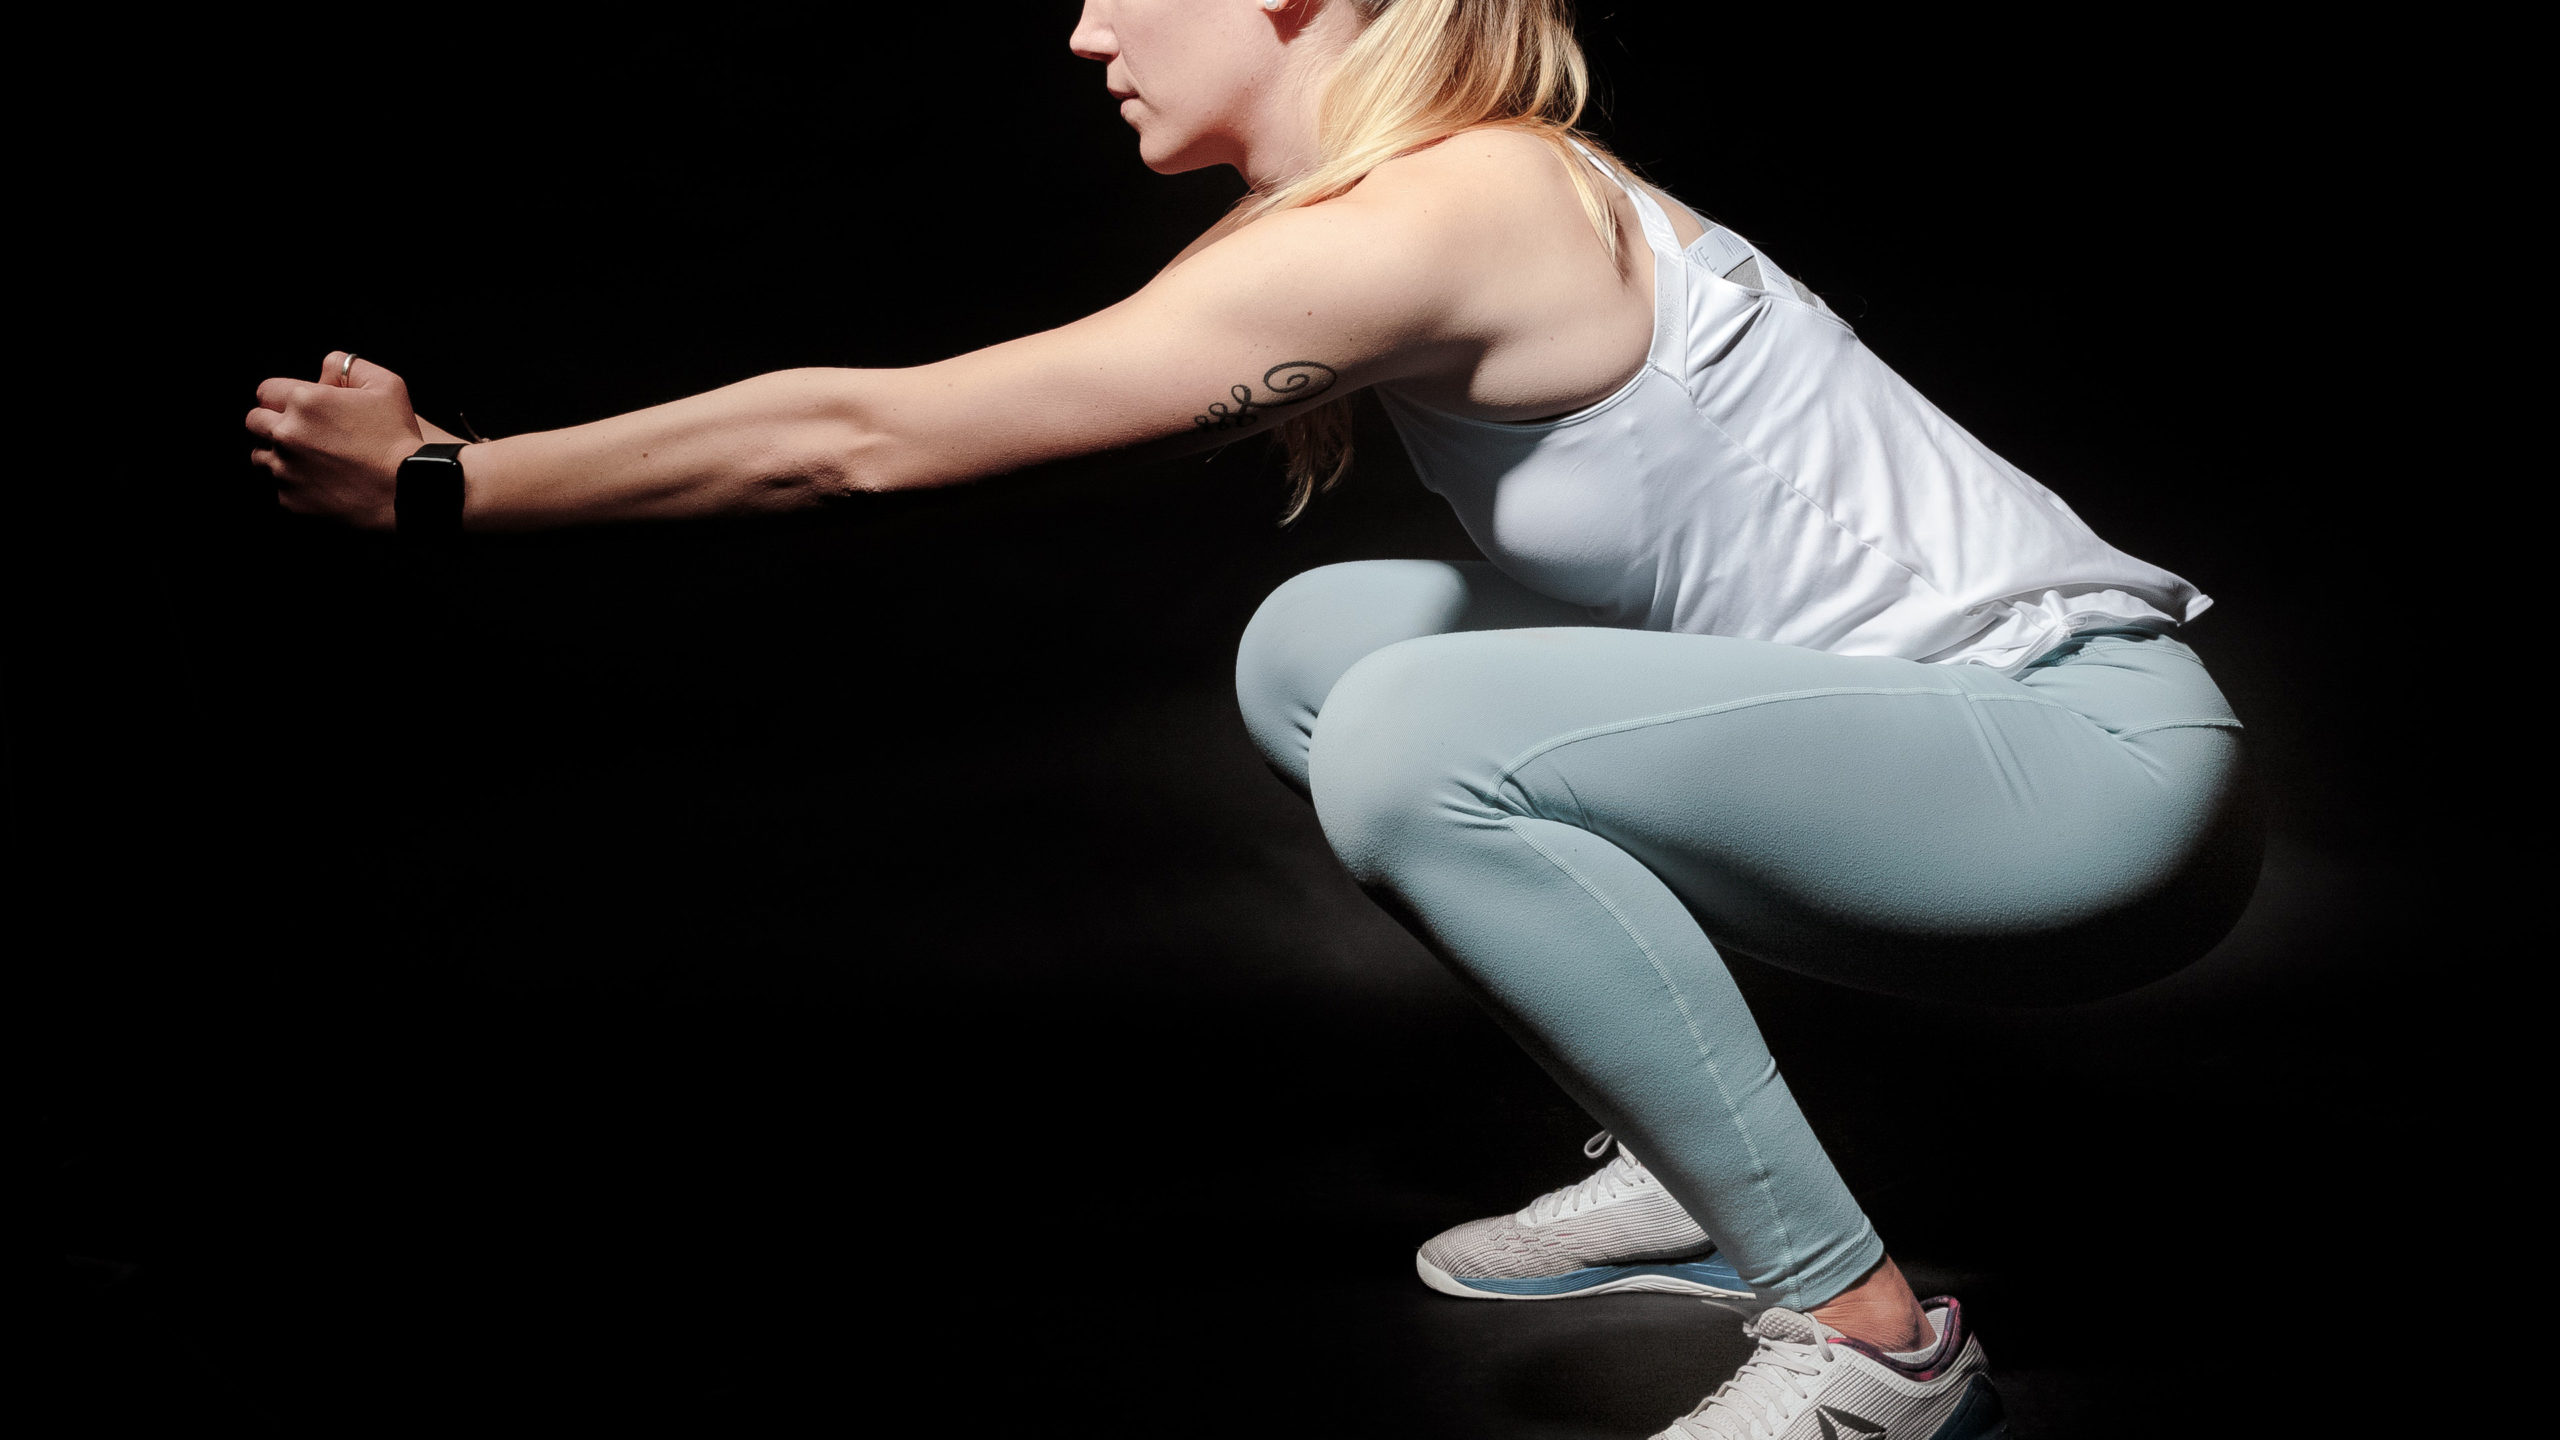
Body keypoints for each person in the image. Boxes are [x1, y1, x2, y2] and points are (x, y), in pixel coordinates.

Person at [245, 3, 2260, 1435]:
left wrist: (449, 481)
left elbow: (867, 438)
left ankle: (1876, 1345)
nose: (1082, 29)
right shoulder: (1438, 197)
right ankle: (1691, 1157)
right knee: (1325, 644)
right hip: (1943, 750)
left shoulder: (1448, 212)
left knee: (1409, 732)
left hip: (2076, 786)